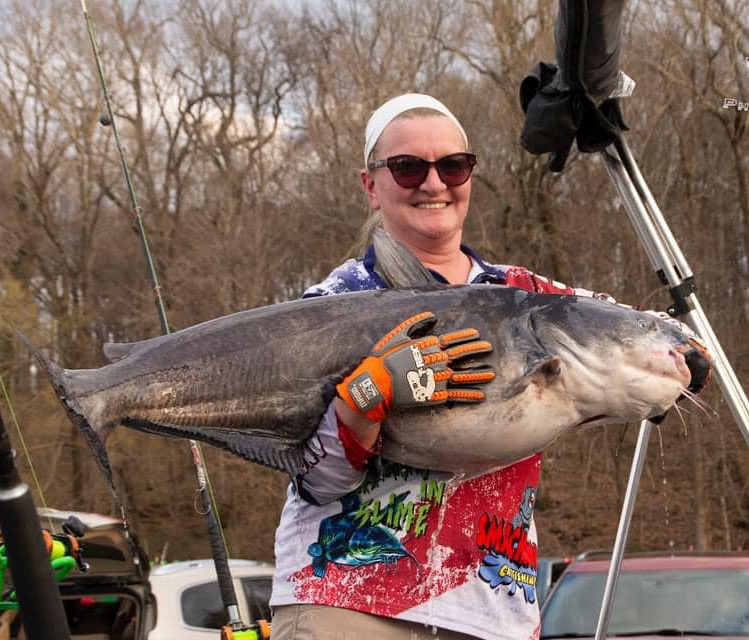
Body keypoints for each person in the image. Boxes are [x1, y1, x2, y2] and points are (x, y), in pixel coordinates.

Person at [268, 93, 702, 640]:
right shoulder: (330, 305)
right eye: (407, 167)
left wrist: (682, 356)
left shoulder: (530, 296)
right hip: (345, 604)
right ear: (370, 185)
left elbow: (651, 330)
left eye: (453, 165)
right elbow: (318, 479)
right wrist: (364, 400)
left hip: (492, 613)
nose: (433, 183)